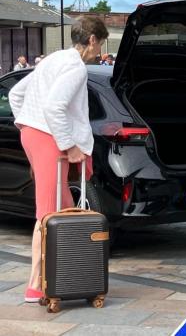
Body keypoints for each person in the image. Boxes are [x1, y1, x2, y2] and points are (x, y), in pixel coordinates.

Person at [9, 16, 108, 303]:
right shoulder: (76, 67)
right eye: (100, 44)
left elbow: (17, 94)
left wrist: (28, 122)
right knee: (49, 212)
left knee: (63, 208)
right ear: (92, 40)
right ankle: (36, 285)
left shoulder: (53, 59)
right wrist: (70, 145)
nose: (99, 51)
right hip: (50, 139)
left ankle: (69, 276)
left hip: (34, 135)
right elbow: (55, 107)